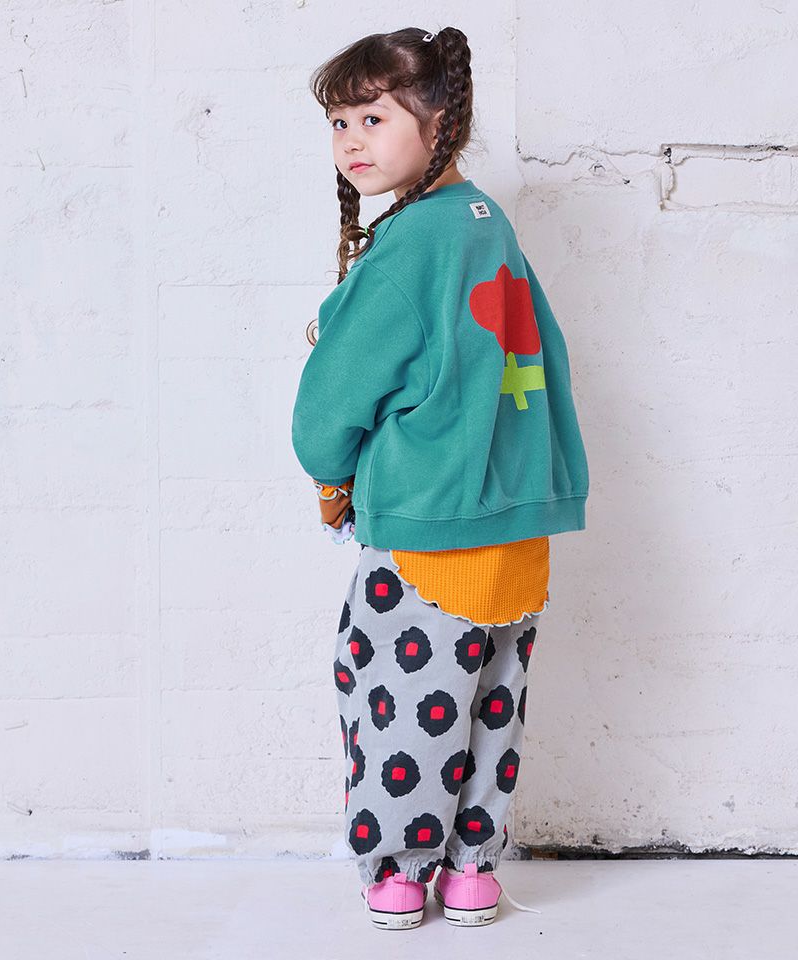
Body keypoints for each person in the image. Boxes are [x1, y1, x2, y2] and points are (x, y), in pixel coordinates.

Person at [291, 25, 589, 930]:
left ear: (440, 121)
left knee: (400, 703)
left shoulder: (411, 244)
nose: (351, 142)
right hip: (516, 517)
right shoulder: (485, 222)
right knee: (490, 704)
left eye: (373, 118)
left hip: (428, 523)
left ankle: (397, 872)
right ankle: (471, 872)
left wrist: (331, 475)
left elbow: (331, 400)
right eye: (339, 122)